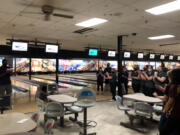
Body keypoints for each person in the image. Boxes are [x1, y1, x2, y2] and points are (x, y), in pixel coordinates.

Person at [159, 68, 180, 135]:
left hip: (173, 112)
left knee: (163, 130)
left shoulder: (173, 86)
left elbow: (170, 100)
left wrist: (166, 111)